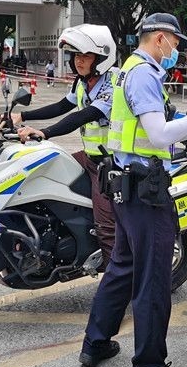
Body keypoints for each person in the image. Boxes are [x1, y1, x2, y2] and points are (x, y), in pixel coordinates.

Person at [78, 12, 187, 367]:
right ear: (160, 38)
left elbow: (151, 127)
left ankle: (96, 342)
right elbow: (159, 136)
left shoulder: (128, 70)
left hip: (126, 188)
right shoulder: (145, 75)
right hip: (145, 193)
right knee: (153, 279)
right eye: (176, 43)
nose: (177, 50)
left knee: (122, 268)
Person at [9, 24, 118, 266]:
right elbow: (61, 107)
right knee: (43, 170)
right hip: (91, 158)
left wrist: (45, 132)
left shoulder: (113, 83)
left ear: (101, 58)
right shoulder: (82, 83)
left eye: (86, 55)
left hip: (111, 165)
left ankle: (117, 279)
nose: (79, 61)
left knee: (106, 224)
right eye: (76, 55)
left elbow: (83, 115)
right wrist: (22, 117)